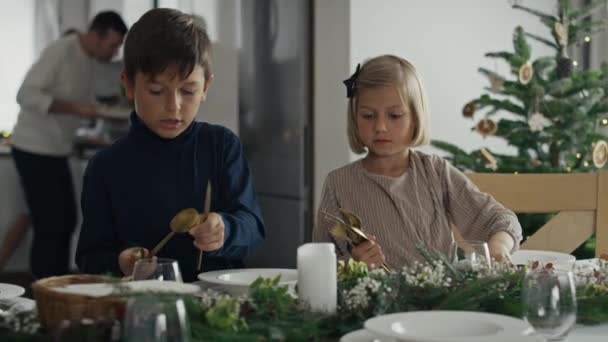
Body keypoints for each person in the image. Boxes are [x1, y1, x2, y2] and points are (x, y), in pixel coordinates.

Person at [75, 8, 266, 282]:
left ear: (206, 88)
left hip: (217, 303)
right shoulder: (105, 166)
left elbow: (254, 227)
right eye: (156, 91)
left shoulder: (221, 145)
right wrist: (121, 261)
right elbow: (90, 258)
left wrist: (225, 229)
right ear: (128, 85)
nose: (173, 106)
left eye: (188, 91)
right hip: (142, 305)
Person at [313, 55, 522, 270]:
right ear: (355, 118)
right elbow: (320, 264)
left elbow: (500, 220)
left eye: (394, 115)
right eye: (368, 116)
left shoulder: (436, 172)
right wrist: (354, 264)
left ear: (415, 119)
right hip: (376, 302)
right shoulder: (339, 184)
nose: (380, 127)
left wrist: (498, 246)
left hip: (443, 301)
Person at [11, 11, 127, 278]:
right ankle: (45, 291)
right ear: (96, 36)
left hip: (57, 151)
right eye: (112, 45)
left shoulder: (90, 60)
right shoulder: (61, 50)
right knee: (50, 226)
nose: (114, 52)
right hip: (34, 149)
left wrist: (89, 119)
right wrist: (79, 109)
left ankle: (57, 286)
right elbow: (26, 94)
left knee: (66, 223)